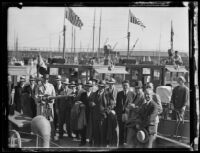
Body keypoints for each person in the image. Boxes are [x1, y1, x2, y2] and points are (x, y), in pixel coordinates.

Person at [35, 74, 57, 141]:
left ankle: (51, 136)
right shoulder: (38, 86)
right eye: (44, 78)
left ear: (48, 79)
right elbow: (36, 97)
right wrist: (41, 99)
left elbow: (54, 97)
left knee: (50, 121)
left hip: (49, 107)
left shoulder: (51, 86)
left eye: (47, 79)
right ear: (42, 79)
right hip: (41, 107)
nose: (46, 80)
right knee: (41, 121)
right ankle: (40, 137)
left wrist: (50, 100)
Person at [115, 80, 135, 147]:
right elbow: (117, 105)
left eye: (126, 85)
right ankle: (120, 144)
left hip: (128, 115)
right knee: (121, 130)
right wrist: (118, 113)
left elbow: (133, 104)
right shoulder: (119, 93)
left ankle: (126, 144)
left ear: (129, 86)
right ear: (122, 86)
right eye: (124, 85)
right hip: (120, 115)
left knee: (127, 130)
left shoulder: (132, 94)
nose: (125, 87)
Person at [92, 80, 108, 147]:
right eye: (99, 86)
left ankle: (103, 146)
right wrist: (91, 103)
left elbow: (112, 104)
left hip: (103, 116)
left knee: (102, 132)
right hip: (95, 115)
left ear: (104, 87)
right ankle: (96, 146)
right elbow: (90, 100)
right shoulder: (95, 93)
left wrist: (105, 111)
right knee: (96, 131)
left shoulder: (107, 94)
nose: (100, 88)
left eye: (102, 86)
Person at [79, 81, 95, 146]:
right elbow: (79, 102)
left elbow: (96, 103)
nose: (88, 88)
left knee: (91, 127)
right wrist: (81, 105)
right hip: (84, 113)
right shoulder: (82, 94)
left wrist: (93, 105)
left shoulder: (94, 94)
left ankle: (91, 141)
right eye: (87, 86)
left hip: (91, 113)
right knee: (83, 127)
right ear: (85, 87)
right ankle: (83, 141)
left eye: (90, 87)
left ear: (91, 87)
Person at [105, 78, 119, 147]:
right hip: (107, 111)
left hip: (115, 112)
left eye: (112, 83)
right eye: (109, 84)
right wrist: (107, 110)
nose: (110, 85)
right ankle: (108, 142)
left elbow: (118, 102)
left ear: (114, 84)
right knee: (108, 127)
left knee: (115, 129)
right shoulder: (106, 91)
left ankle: (115, 143)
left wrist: (115, 110)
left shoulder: (117, 91)